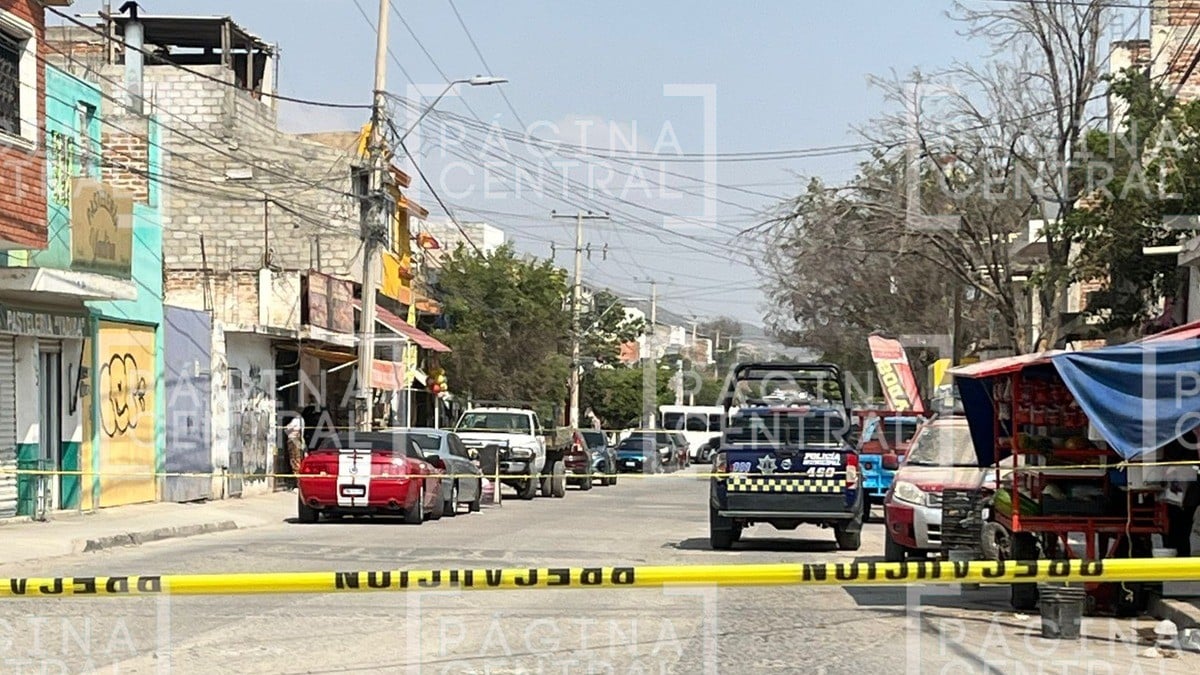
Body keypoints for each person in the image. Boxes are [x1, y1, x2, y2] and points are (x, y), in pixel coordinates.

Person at [284, 415, 305, 490]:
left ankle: (297, 483)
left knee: (295, 461)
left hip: (294, 441)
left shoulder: (296, 420)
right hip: (297, 441)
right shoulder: (300, 420)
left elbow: (287, 429)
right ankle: (297, 483)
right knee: (297, 461)